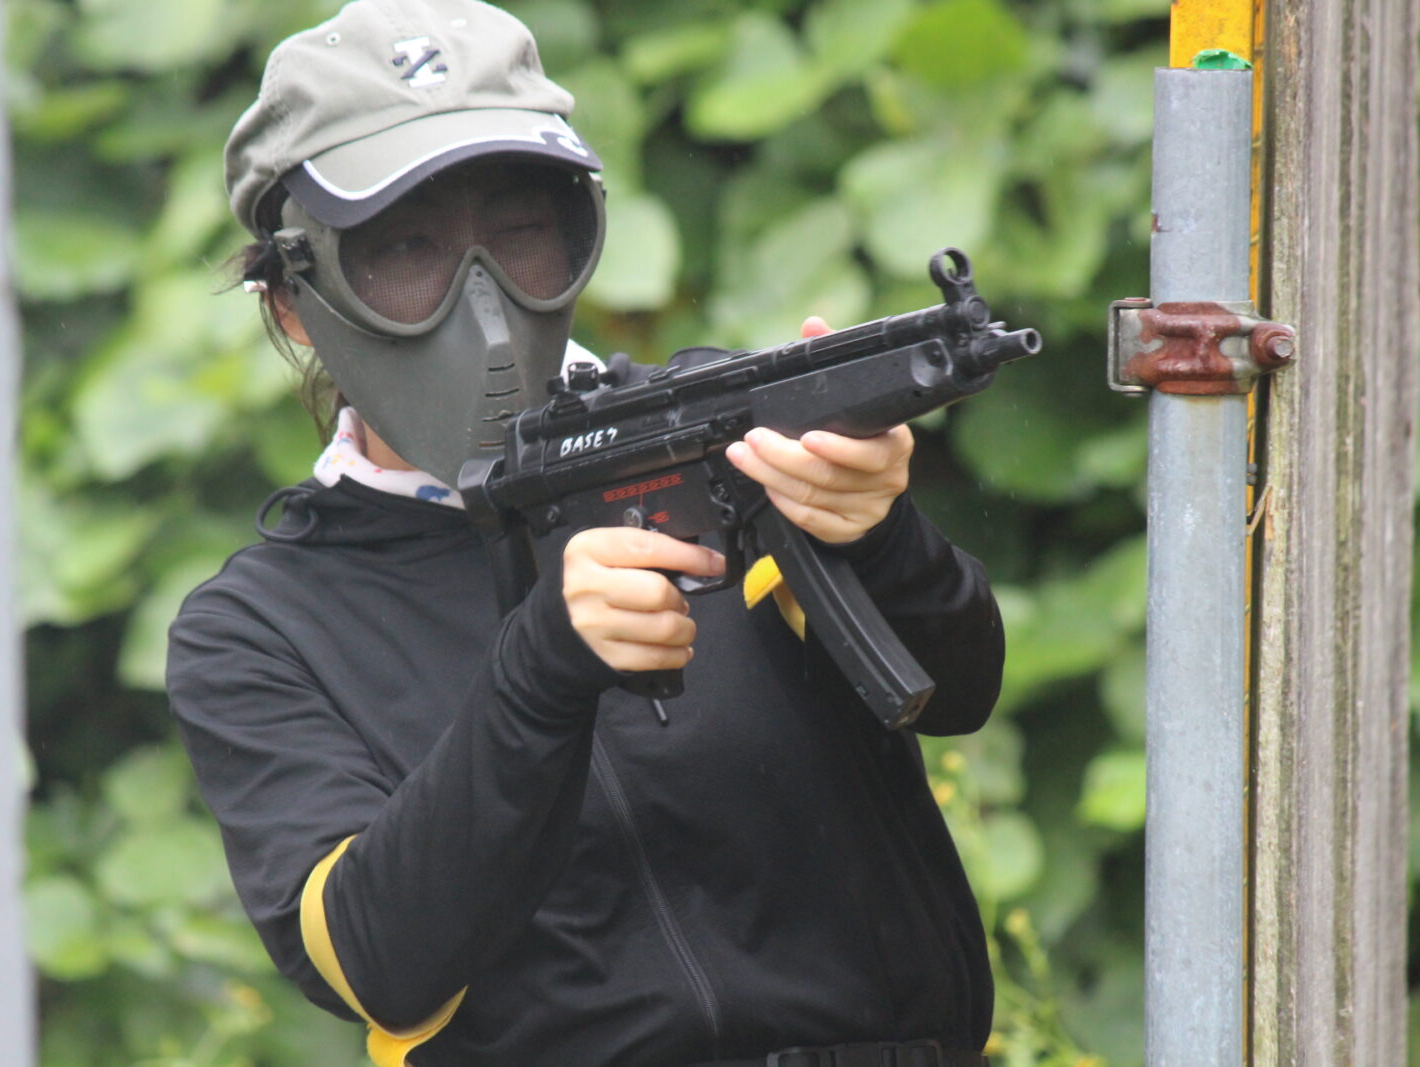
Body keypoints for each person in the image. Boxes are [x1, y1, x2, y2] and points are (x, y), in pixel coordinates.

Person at [166, 2, 1005, 1065]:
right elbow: (375, 959)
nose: (480, 299)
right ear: (293, 302)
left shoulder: (723, 442)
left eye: (520, 231)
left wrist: (878, 533)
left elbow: (956, 689)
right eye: (406, 249)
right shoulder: (259, 628)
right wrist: (541, 673)